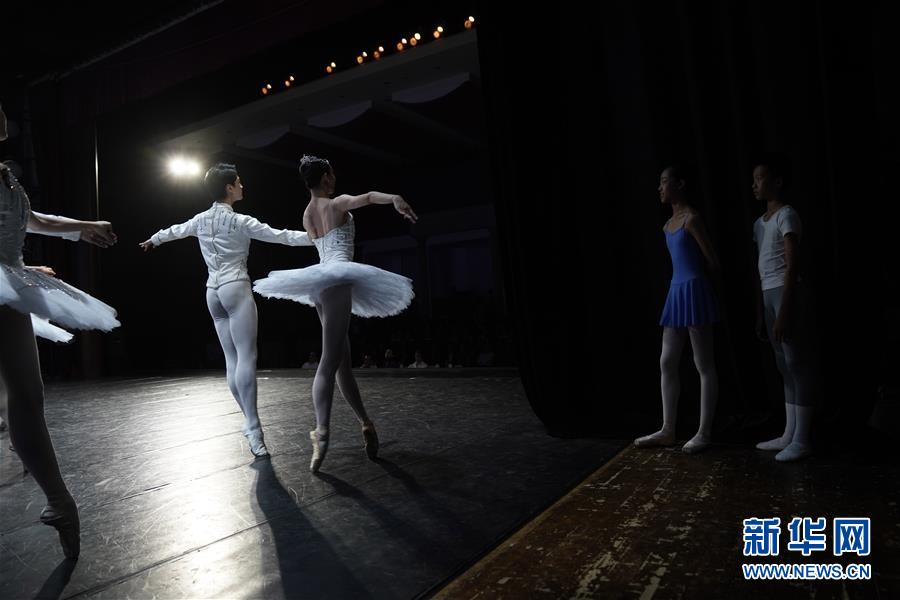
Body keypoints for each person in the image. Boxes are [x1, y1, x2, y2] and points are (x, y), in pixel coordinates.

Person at [0, 101, 119, 559]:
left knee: (24, 399)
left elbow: (36, 222)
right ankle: (59, 500)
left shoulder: (6, 177)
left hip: (8, 280)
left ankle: (58, 500)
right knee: (24, 399)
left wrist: (85, 226)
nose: (3, 111)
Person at [254, 154, 416, 472]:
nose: (335, 179)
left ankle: (365, 422)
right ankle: (321, 432)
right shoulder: (337, 203)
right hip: (337, 280)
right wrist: (395, 197)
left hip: (320, 285)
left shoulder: (307, 214)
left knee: (342, 362)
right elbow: (369, 197)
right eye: (332, 174)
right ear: (326, 177)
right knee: (329, 361)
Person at [140, 163, 313, 457]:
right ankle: (254, 428)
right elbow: (281, 236)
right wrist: (316, 238)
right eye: (239, 182)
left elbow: (173, 231)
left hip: (213, 293)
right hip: (235, 287)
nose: (242, 186)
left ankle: (250, 423)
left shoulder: (200, 219)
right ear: (229, 188)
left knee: (232, 361)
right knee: (246, 358)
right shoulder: (241, 221)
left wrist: (153, 239)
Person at [635, 165, 720, 454]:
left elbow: (713, 261)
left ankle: (704, 432)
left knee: (703, 363)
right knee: (667, 361)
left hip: (694, 290)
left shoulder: (692, 219)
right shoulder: (667, 226)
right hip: (676, 292)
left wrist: (700, 290)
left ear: (679, 184)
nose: (660, 187)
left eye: (664, 182)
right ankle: (668, 429)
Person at [750, 154, 816, 462]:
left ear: (777, 181)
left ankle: (802, 439)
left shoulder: (786, 215)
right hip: (768, 294)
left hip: (787, 293)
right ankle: (789, 433)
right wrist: (761, 312)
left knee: (797, 363)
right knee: (783, 365)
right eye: (753, 180)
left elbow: (791, 266)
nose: (754, 185)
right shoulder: (758, 224)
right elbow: (760, 270)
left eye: (760, 178)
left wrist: (785, 309)